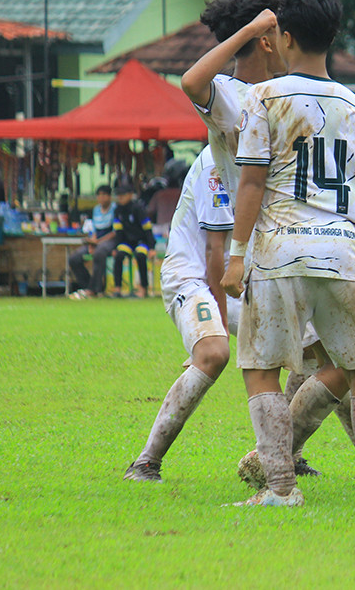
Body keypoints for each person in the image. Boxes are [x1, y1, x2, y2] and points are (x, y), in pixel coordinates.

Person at [221, 0, 355, 507]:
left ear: (283, 37)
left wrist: (237, 257)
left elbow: (253, 181)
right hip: (345, 251)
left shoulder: (265, 96)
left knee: (261, 367)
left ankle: (280, 489)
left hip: (281, 252)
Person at [180, 0, 355, 491]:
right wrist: (255, 26)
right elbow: (193, 81)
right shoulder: (236, 97)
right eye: (275, 30)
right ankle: (285, 465)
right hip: (263, 247)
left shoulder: (287, 94)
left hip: (298, 240)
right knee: (333, 359)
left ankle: (286, 462)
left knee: (336, 358)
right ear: (267, 38)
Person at [123, 148, 234, 481]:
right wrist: (222, 323)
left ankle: (289, 454)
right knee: (214, 352)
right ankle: (145, 462)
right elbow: (215, 250)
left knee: (316, 345)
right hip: (192, 274)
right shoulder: (217, 162)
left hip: (238, 274)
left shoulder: (270, 153)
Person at [69, 184, 117, 299]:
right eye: (99, 195)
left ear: (110, 197)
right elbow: (95, 229)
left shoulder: (114, 209)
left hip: (109, 240)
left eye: (104, 195)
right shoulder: (96, 210)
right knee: (74, 258)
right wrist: (92, 243)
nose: (102, 198)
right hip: (97, 241)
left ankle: (94, 289)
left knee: (99, 253)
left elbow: (115, 232)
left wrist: (98, 243)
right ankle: (88, 286)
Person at [110, 184, 155, 298]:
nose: (120, 198)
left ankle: (143, 288)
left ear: (130, 195)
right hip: (127, 242)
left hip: (141, 240)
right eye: (118, 195)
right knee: (119, 256)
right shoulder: (117, 210)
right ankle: (117, 289)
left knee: (140, 255)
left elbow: (147, 228)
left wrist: (152, 247)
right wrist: (115, 247)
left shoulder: (138, 208)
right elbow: (118, 231)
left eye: (123, 195)